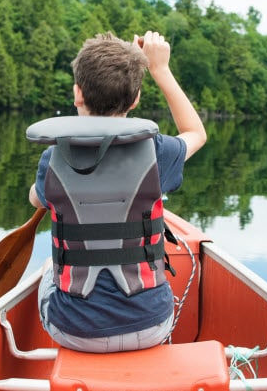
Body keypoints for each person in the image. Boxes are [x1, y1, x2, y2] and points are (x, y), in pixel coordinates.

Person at [28, 30, 206, 353]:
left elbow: (35, 199)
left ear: (77, 94)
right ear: (136, 99)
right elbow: (195, 132)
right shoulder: (157, 151)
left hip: (74, 332)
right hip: (152, 325)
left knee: (46, 271)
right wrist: (160, 70)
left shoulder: (51, 159)